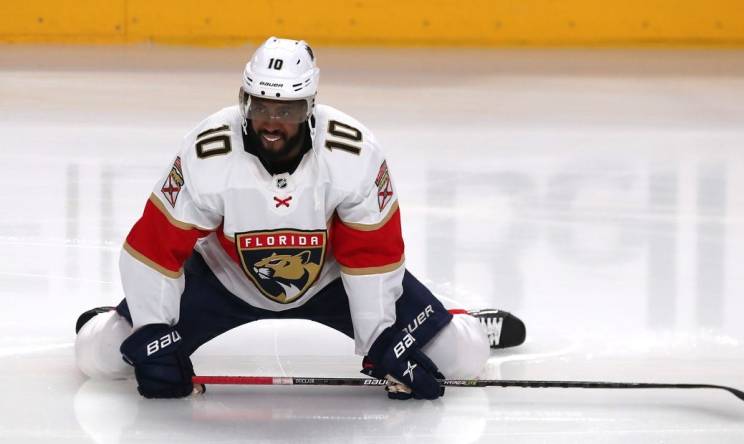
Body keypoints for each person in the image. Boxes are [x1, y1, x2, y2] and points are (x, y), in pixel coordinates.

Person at [74, 37, 526, 400]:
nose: (271, 122)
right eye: (260, 106)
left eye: (286, 110)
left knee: (463, 358)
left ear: (309, 108)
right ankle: (113, 318)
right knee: (100, 358)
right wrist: (152, 329)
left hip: (335, 281)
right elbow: (154, 249)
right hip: (223, 280)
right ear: (243, 101)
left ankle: (462, 319)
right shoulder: (206, 149)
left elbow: (372, 256)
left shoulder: (353, 152)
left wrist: (382, 341)